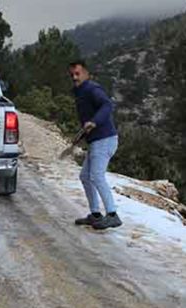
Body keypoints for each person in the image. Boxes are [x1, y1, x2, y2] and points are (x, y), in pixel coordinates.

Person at [69, 60, 122, 230]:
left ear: (86, 74)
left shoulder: (93, 89)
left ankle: (113, 215)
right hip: (95, 141)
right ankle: (95, 214)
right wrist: (82, 133)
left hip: (105, 140)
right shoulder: (79, 92)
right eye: (72, 75)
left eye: (78, 74)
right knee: (85, 176)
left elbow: (107, 105)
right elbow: (88, 120)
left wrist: (94, 121)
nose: (75, 77)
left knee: (96, 176)